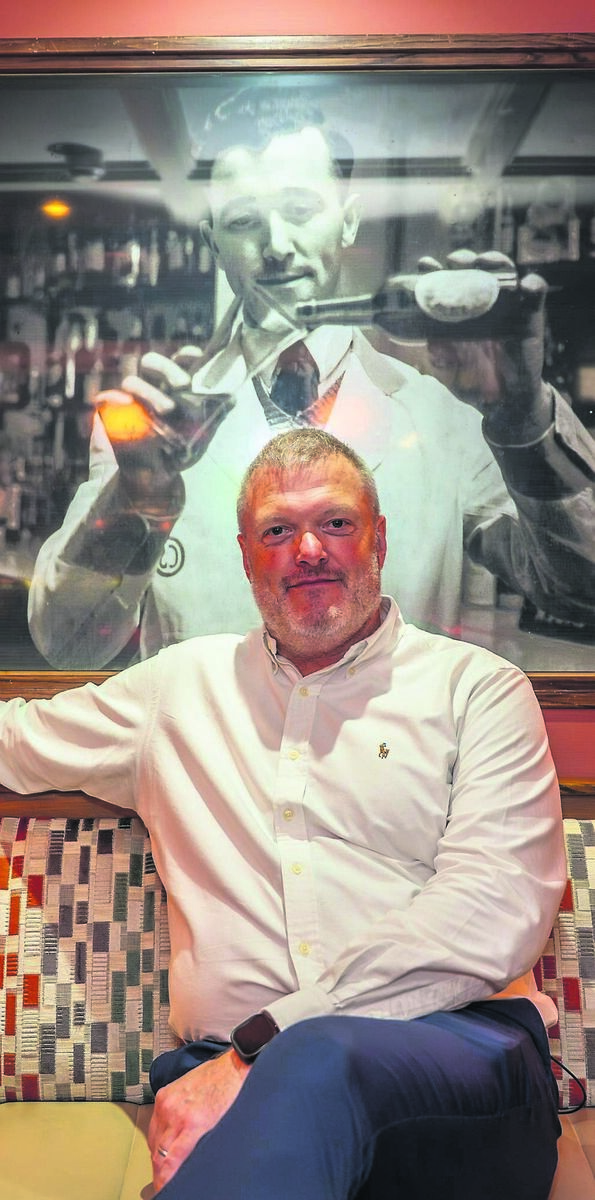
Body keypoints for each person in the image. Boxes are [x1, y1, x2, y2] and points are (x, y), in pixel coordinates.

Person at [3, 428, 566, 1198]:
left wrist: (261, 1047)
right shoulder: (175, 689)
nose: (308, 549)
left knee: (316, 1059)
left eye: (335, 522)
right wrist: (237, 1065)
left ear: (379, 538)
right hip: (218, 1070)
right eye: (277, 530)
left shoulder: (478, 691)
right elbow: (16, 742)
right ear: (244, 555)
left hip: (459, 1064)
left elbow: (489, 913)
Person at [27, 82, 595, 670]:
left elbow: (583, 593)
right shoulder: (152, 427)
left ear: (348, 223)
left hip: (388, 757)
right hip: (206, 760)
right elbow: (69, 645)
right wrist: (135, 501)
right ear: (213, 241)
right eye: (245, 219)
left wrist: (524, 418)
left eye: (300, 210)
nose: (276, 246)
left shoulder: (445, 421)